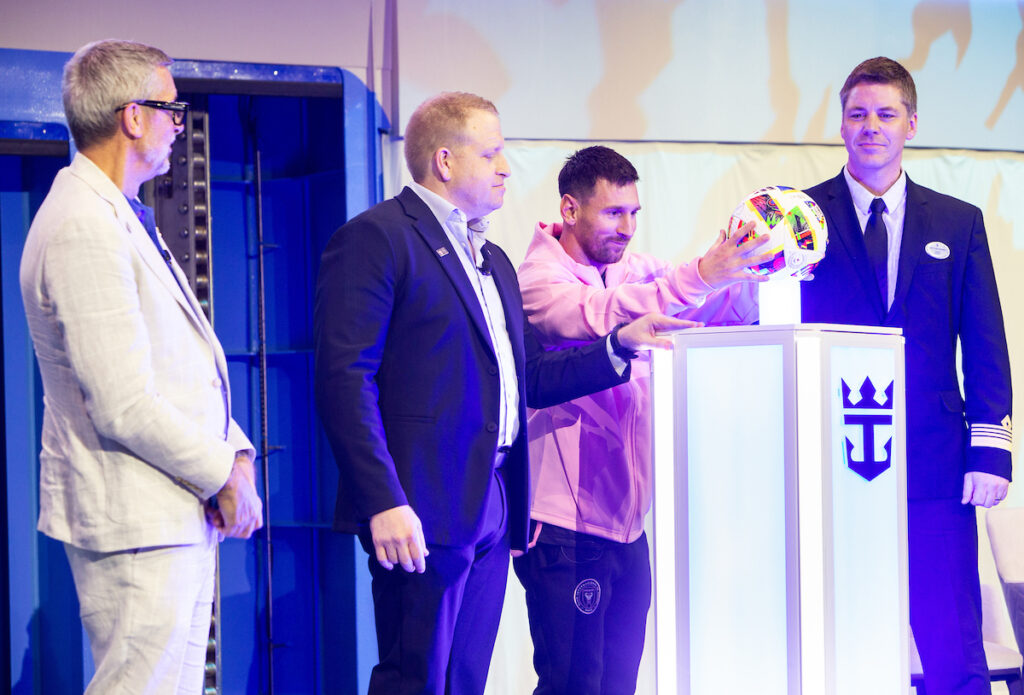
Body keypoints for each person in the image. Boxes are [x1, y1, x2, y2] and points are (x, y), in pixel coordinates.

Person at [313, 93, 693, 695]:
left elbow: (531, 379)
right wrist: (382, 498)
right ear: (444, 160)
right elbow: (344, 379)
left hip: (489, 504)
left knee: (465, 680)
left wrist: (620, 347)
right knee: (416, 680)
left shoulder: (490, 257)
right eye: (490, 153)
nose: (504, 168)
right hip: (420, 503)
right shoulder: (378, 238)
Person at [18, 39, 263, 694]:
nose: (179, 125)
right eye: (172, 110)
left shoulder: (122, 213)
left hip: (169, 516)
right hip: (135, 523)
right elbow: (122, 398)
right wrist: (220, 472)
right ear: (133, 116)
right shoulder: (82, 224)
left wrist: (236, 454)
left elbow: (184, 364)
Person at [513, 145, 770, 694]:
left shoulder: (640, 270)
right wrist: (700, 274)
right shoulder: (538, 278)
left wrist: (755, 267)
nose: (626, 227)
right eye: (612, 213)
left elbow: (719, 311)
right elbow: (597, 317)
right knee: (572, 685)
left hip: (629, 523)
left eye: (634, 213)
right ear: (570, 209)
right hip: (563, 526)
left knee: (618, 685)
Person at [800, 57, 1012, 695]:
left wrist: (991, 454)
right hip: (830, 467)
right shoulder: (797, 217)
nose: (871, 127)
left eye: (886, 114)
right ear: (841, 125)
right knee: (843, 649)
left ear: (911, 124)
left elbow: (984, 343)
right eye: (858, 114)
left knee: (953, 649)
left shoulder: (957, 221)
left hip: (936, 467)